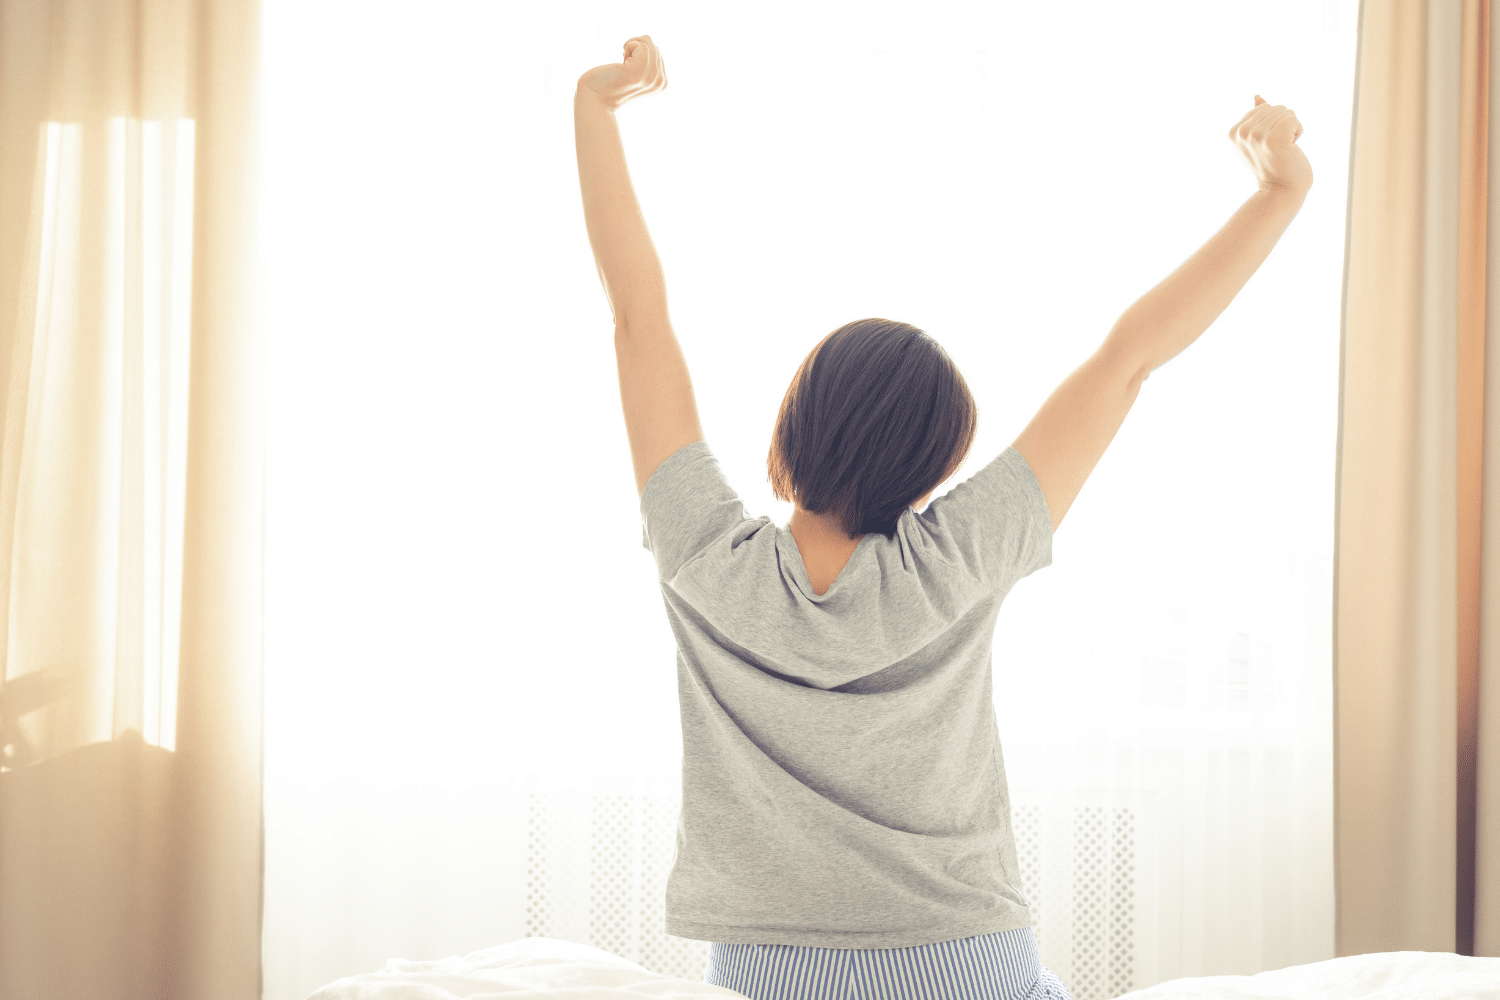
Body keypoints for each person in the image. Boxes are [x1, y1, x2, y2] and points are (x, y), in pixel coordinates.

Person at [574, 34, 1311, 1000]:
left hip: (765, 971)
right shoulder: (960, 555)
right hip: (969, 963)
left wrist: (595, 107)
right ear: (930, 470)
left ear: (792, 428)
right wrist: (1277, 195)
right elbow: (1127, 358)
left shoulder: (704, 555)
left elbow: (638, 316)